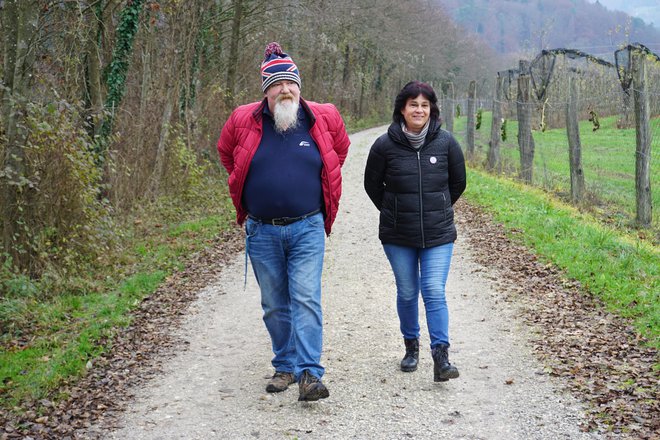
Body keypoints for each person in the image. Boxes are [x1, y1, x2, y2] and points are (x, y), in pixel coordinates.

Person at [217, 42, 350, 401]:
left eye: (290, 83)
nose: (284, 90)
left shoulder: (324, 116)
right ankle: (285, 366)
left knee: (306, 297)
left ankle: (310, 373)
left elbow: (339, 151)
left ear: (299, 86)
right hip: (261, 230)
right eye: (275, 84)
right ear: (265, 91)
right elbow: (228, 155)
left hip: (308, 226)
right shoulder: (243, 119)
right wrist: (247, 187)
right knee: (274, 303)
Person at [363, 80, 466, 382]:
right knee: (408, 292)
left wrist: (439, 207)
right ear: (402, 109)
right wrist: (393, 211)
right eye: (413, 105)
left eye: (424, 105)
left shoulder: (446, 143)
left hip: (438, 235)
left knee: (433, 291)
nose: (419, 110)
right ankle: (411, 347)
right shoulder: (384, 146)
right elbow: (372, 186)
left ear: (432, 109)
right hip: (398, 236)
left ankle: (441, 358)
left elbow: (458, 183)